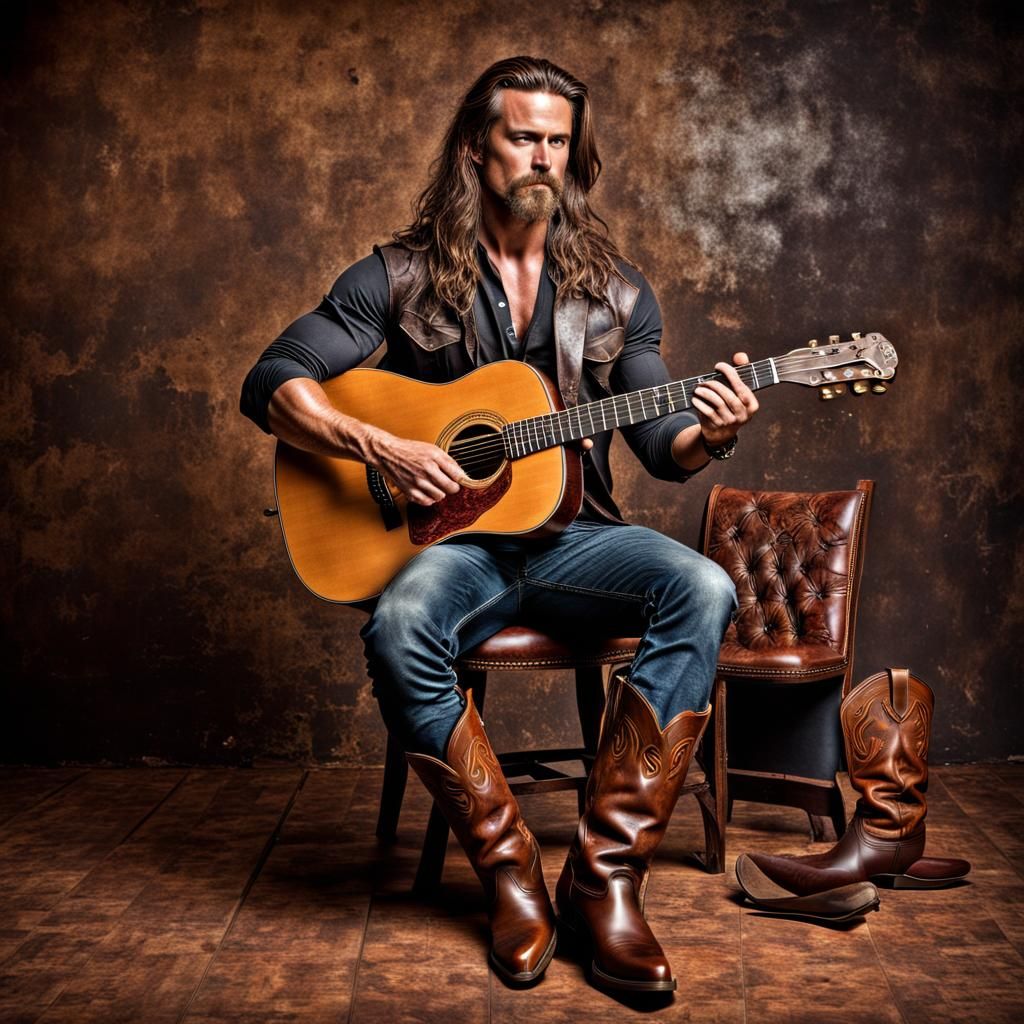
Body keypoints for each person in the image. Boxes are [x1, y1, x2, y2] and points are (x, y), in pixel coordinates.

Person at [240, 56, 758, 994]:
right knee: (400, 626)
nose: (544, 159)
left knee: (706, 586)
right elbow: (272, 381)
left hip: (576, 538)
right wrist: (375, 447)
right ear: (478, 149)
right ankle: (512, 875)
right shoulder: (395, 277)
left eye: (559, 141)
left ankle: (604, 884)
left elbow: (657, 438)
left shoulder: (618, 292)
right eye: (525, 137)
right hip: (455, 548)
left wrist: (707, 435)